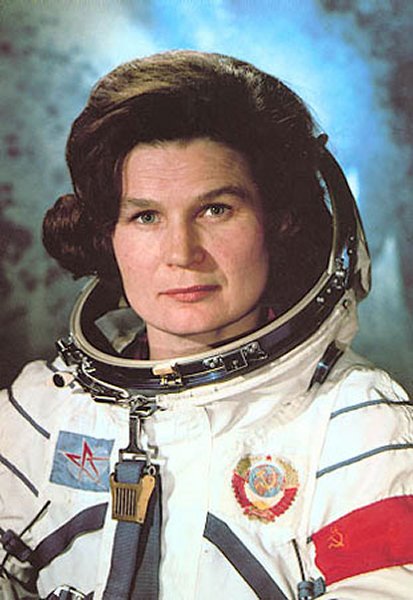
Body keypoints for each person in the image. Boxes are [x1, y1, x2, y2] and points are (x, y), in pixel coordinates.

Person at [0, 50, 412, 600]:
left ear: (279, 221)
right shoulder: (40, 415)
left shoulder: (357, 426)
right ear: (108, 237)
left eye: (216, 209)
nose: (182, 253)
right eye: (146, 216)